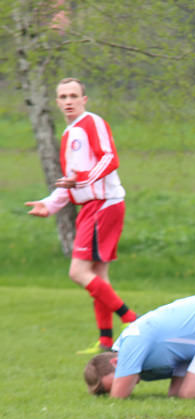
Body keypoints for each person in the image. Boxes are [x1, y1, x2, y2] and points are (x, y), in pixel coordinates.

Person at [25, 77, 137, 354]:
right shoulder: (69, 133)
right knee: (98, 275)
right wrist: (49, 204)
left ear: (84, 99)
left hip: (104, 204)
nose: (68, 101)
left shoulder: (91, 123)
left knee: (78, 272)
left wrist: (84, 179)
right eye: (63, 97)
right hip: (92, 205)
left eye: (73, 95)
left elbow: (110, 158)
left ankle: (131, 318)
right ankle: (106, 342)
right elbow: (70, 182)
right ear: (57, 102)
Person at [83, 295, 195, 399]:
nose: (120, 382)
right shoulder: (130, 343)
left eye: (114, 381)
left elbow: (118, 397)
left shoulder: (130, 344)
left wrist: (114, 393)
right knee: (178, 394)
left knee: (190, 393)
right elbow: (178, 356)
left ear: (116, 362)